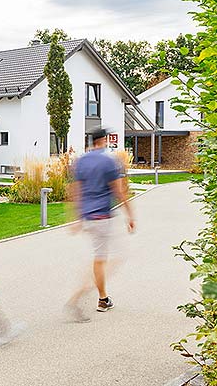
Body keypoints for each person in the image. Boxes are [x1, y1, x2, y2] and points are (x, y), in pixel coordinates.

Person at [65, 127, 135, 321]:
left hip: (88, 218)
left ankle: (103, 299)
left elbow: (75, 191)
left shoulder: (81, 161)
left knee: (100, 257)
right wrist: (130, 214)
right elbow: (119, 192)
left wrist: (76, 218)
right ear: (103, 140)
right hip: (103, 218)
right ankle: (77, 297)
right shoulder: (109, 161)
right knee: (115, 257)